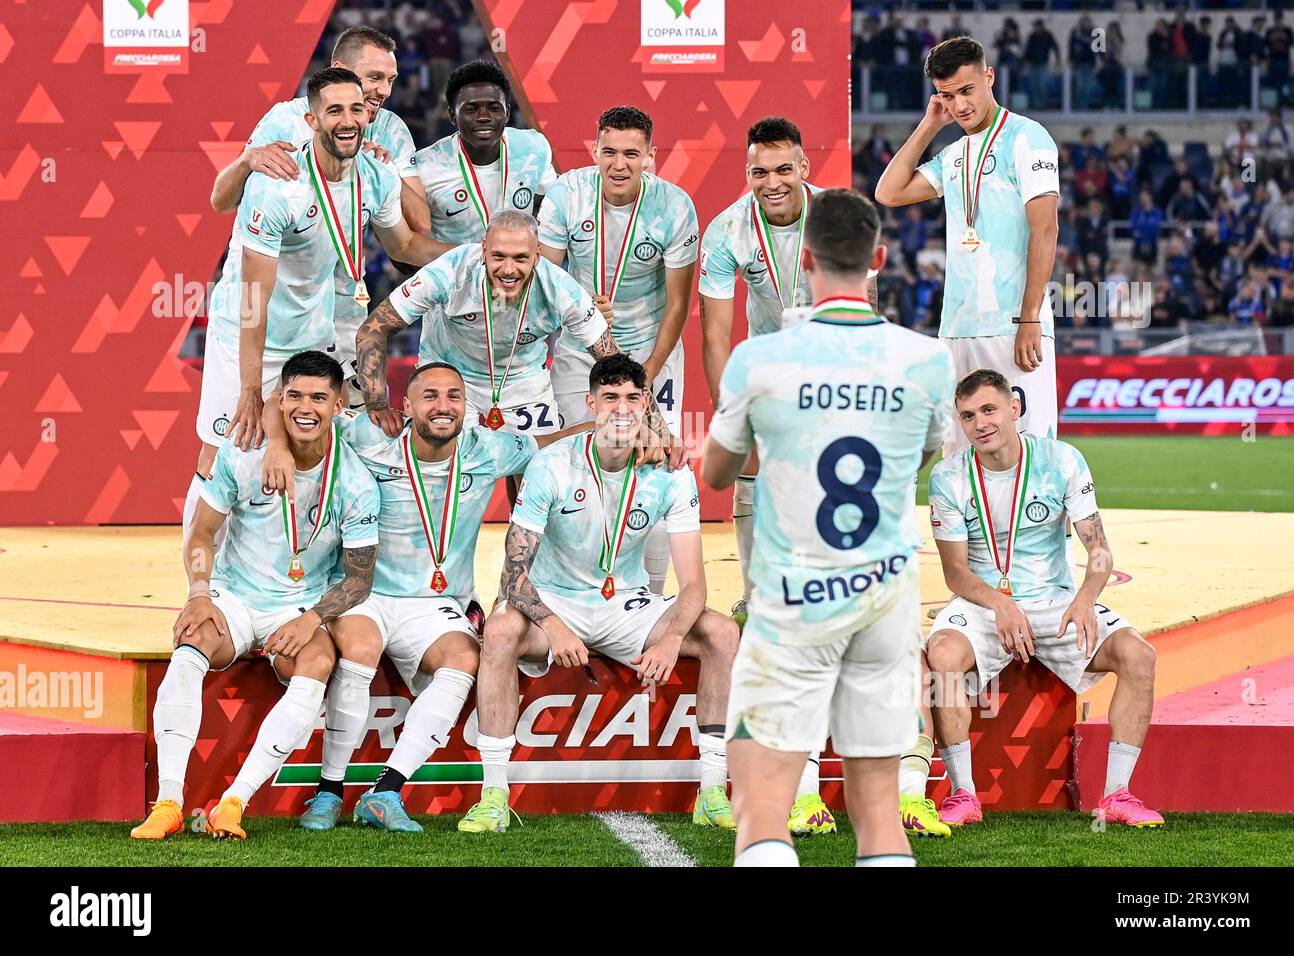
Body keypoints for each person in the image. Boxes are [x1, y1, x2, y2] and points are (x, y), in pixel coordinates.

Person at [701, 188, 955, 866]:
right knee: (877, 814)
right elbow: (923, 455)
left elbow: (719, 474)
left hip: (794, 598)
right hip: (885, 600)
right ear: (877, 260)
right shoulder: (927, 360)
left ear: (806, 259)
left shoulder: (761, 359)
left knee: (763, 810)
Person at [261, 362, 592, 831]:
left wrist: (615, 425)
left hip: (435, 604)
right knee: (359, 651)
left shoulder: (489, 450)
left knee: (464, 662)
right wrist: (274, 442)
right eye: (430, 396)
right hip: (366, 592)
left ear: (466, 407)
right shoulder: (366, 438)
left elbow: (548, 444)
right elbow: (296, 410)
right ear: (408, 406)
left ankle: (385, 793)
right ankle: (328, 792)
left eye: (454, 396)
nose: (443, 406)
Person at [457, 355, 740, 834]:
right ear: (590, 404)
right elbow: (512, 576)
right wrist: (552, 623)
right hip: (555, 601)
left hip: (626, 604)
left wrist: (671, 638)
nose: (622, 410)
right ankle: (493, 795)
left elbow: (693, 584)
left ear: (647, 404)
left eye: (633, 398)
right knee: (503, 629)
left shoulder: (670, 471)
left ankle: (712, 790)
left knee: (721, 630)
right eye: (610, 398)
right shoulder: (552, 464)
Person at [185, 68, 445, 542]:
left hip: (311, 334)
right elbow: (252, 298)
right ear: (312, 120)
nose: (349, 120)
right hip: (249, 338)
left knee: (324, 444)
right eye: (335, 111)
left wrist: (475, 255)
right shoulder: (278, 185)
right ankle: (202, 591)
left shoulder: (376, 177)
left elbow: (406, 245)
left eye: (357, 109)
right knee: (225, 450)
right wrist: (249, 388)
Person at [131, 352, 381, 840]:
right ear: (279, 399)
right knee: (190, 640)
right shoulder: (243, 454)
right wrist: (199, 594)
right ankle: (168, 802)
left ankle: (234, 803)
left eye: (318, 397)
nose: (305, 408)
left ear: (339, 403)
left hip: (301, 603)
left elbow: (358, 580)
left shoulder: (355, 481)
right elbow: (201, 534)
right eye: (294, 396)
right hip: (235, 595)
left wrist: (311, 619)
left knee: (316, 663)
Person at [698, 115, 858, 836]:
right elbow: (714, 327)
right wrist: (735, 408)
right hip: (770, 373)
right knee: (754, 475)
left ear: (804, 165)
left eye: (782, 170)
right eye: (758, 172)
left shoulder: (841, 217)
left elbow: (864, 305)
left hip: (830, 367)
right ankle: (756, 591)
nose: (770, 183)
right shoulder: (728, 230)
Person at [925, 369, 1162, 829]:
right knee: (942, 655)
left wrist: (1086, 598)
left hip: (1056, 600)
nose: (980, 424)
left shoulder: (1062, 460)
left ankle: (1116, 794)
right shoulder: (948, 476)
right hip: (983, 604)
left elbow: (1099, 550)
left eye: (989, 410)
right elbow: (955, 573)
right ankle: (963, 795)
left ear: (1014, 407)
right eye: (968, 416)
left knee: (1139, 655)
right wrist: (1000, 604)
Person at [209, 27, 438, 411]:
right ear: (339, 71)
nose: (384, 90)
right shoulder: (286, 119)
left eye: (391, 80)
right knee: (239, 441)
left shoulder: (392, 130)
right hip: (268, 308)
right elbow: (221, 201)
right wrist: (248, 161)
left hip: (340, 308)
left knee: (339, 432)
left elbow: (418, 228)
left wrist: (378, 169)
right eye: (375, 78)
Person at [538, 105, 698, 595]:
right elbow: (545, 278)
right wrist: (581, 310)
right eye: (609, 152)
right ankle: (572, 586)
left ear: (651, 156)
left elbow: (677, 306)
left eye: (632, 153)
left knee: (652, 460)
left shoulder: (674, 206)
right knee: (576, 460)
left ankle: (649, 593)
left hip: (653, 352)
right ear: (595, 151)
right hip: (579, 351)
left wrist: (643, 377)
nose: (619, 163)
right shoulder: (567, 193)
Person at [875, 36, 1061, 458]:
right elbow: (888, 192)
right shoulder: (954, 153)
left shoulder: (1028, 138)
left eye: (966, 90)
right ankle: (968, 528)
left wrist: (1029, 315)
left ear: (989, 77)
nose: (959, 105)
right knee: (960, 452)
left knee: (1029, 448)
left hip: (1013, 323)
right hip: (958, 325)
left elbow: (1045, 228)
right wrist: (929, 125)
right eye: (946, 95)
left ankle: (1038, 526)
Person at [354, 212, 617, 441]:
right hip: (448, 375)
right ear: (483, 250)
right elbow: (373, 328)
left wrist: (651, 425)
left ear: (537, 256)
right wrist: (377, 404)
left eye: (520, 258)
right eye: (498, 256)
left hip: (523, 381)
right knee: (447, 467)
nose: (508, 269)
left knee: (537, 469)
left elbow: (615, 362)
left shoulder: (561, 289)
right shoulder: (451, 271)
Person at [411, 60, 557, 246]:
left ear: (508, 113)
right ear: (452, 115)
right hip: (454, 274)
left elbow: (556, 201)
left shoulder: (533, 147)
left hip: (516, 271)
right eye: (471, 110)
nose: (483, 117)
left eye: (494, 108)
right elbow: (409, 245)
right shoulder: (424, 167)